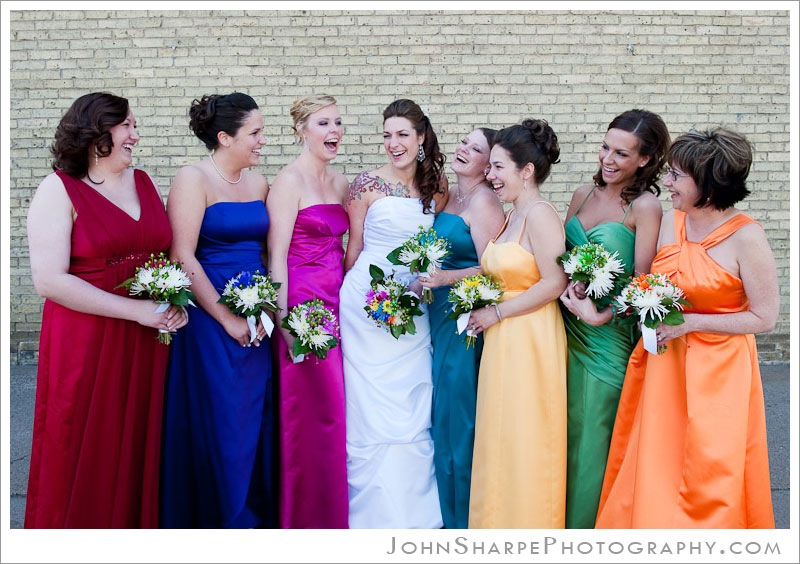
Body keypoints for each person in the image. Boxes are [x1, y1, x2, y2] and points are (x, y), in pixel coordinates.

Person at [595, 127, 778, 528]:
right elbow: (653, 281)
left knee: (709, 465)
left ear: (709, 183)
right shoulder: (672, 221)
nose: (667, 182)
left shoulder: (747, 237)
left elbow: (766, 318)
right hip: (662, 363)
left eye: (677, 176)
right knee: (656, 458)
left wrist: (690, 323)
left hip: (718, 370)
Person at [24, 92, 187, 528]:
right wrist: (135, 311)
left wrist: (175, 303)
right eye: (127, 126)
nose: (136, 135)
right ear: (98, 132)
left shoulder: (146, 182)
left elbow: (164, 255)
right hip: (86, 340)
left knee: (137, 443)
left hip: (147, 337)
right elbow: (49, 279)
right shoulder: (58, 188)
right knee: (82, 441)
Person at [160, 92, 276, 528]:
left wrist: (264, 309)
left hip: (255, 314)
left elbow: (265, 254)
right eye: (256, 132)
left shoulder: (259, 183)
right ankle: (220, 520)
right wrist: (227, 318)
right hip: (210, 319)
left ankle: (253, 517)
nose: (262, 140)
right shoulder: (193, 180)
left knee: (253, 417)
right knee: (222, 418)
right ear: (226, 137)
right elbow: (183, 255)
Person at [557, 109, 670, 529]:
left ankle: (585, 532)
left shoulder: (645, 207)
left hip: (605, 339)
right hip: (563, 326)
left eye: (621, 153)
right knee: (559, 432)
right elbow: (563, 259)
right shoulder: (582, 193)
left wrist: (599, 314)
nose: (608, 158)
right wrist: (573, 284)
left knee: (591, 440)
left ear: (644, 159)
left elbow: (641, 284)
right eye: (606, 147)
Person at [338, 99, 448, 528]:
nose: (393, 143)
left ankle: (415, 515)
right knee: (368, 406)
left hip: (415, 300)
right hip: (367, 299)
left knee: (411, 395)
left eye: (402, 134)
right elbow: (354, 251)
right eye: (387, 135)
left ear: (421, 138)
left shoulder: (437, 186)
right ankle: (367, 517)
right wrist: (366, 295)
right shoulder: (365, 185)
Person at [465, 118, 568, 529]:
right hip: (504, 340)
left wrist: (498, 312)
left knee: (525, 439)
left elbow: (555, 280)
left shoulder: (539, 214)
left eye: (498, 167)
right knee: (500, 440)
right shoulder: (512, 215)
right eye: (489, 167)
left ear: (526, 171)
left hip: (530, 340)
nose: (489, 175)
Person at [266, 94, 349, 528]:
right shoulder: (288, 182)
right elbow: (275, 256)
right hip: (305, 305)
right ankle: (307, 519)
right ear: (301, 130)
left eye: (337, 122)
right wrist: (285, 323)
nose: (334, 131)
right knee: (315, 410)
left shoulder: (339, 184)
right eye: (323, 123)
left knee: (340, 409)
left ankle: (336, 510)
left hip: (341, 302)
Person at [418, 127, 505, 529]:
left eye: (476, 148)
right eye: (463, 142)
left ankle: (464, 523)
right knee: (442, 414)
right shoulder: (450, 196)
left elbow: (493, 270)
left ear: (490, 165)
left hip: (462, 320)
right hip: (435, 318)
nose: (463, 149)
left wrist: (444, 280)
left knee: (458, 419)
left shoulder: (486, 201)